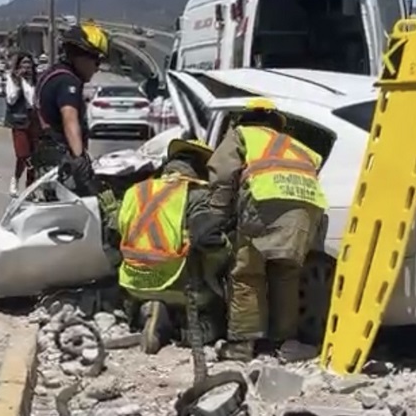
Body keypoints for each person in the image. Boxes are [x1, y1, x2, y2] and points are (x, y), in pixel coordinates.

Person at [201, 98, 325, 362]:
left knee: (247, 273)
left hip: (264, 202)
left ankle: (242, 344)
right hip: (305, 210)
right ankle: (285, 343)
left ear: (243, 120)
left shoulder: (241, 135)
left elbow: (223, 174)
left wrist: (216, 216)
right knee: (286, 273)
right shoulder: (297, 147)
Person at [113, 138, 229, 354]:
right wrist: (218, 270)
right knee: (218, 315)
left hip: (134, 282)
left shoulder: (136, 192)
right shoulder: (198, 195)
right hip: (179, 283)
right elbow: (208, 240)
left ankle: (147, 311)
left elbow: (114, 233)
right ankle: (183, 332)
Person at [32, 22, 109, 196]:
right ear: (80, 56)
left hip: (47, 160)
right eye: (96, 60)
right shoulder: (68, 82)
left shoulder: (52, 75)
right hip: (63, 164)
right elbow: (69, 119)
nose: (97, 68)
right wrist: (80, 159)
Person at [3, 52, 39, 195]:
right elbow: (11, 99)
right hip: (19, 120)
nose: (26, 67)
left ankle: (30, 187)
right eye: (23, 63)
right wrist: (18, 82)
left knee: (35, 156)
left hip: (35, 120)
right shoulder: (12, 79)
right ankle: (16, 178)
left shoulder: (36, 80)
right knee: (23, 155)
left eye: (29, 63)